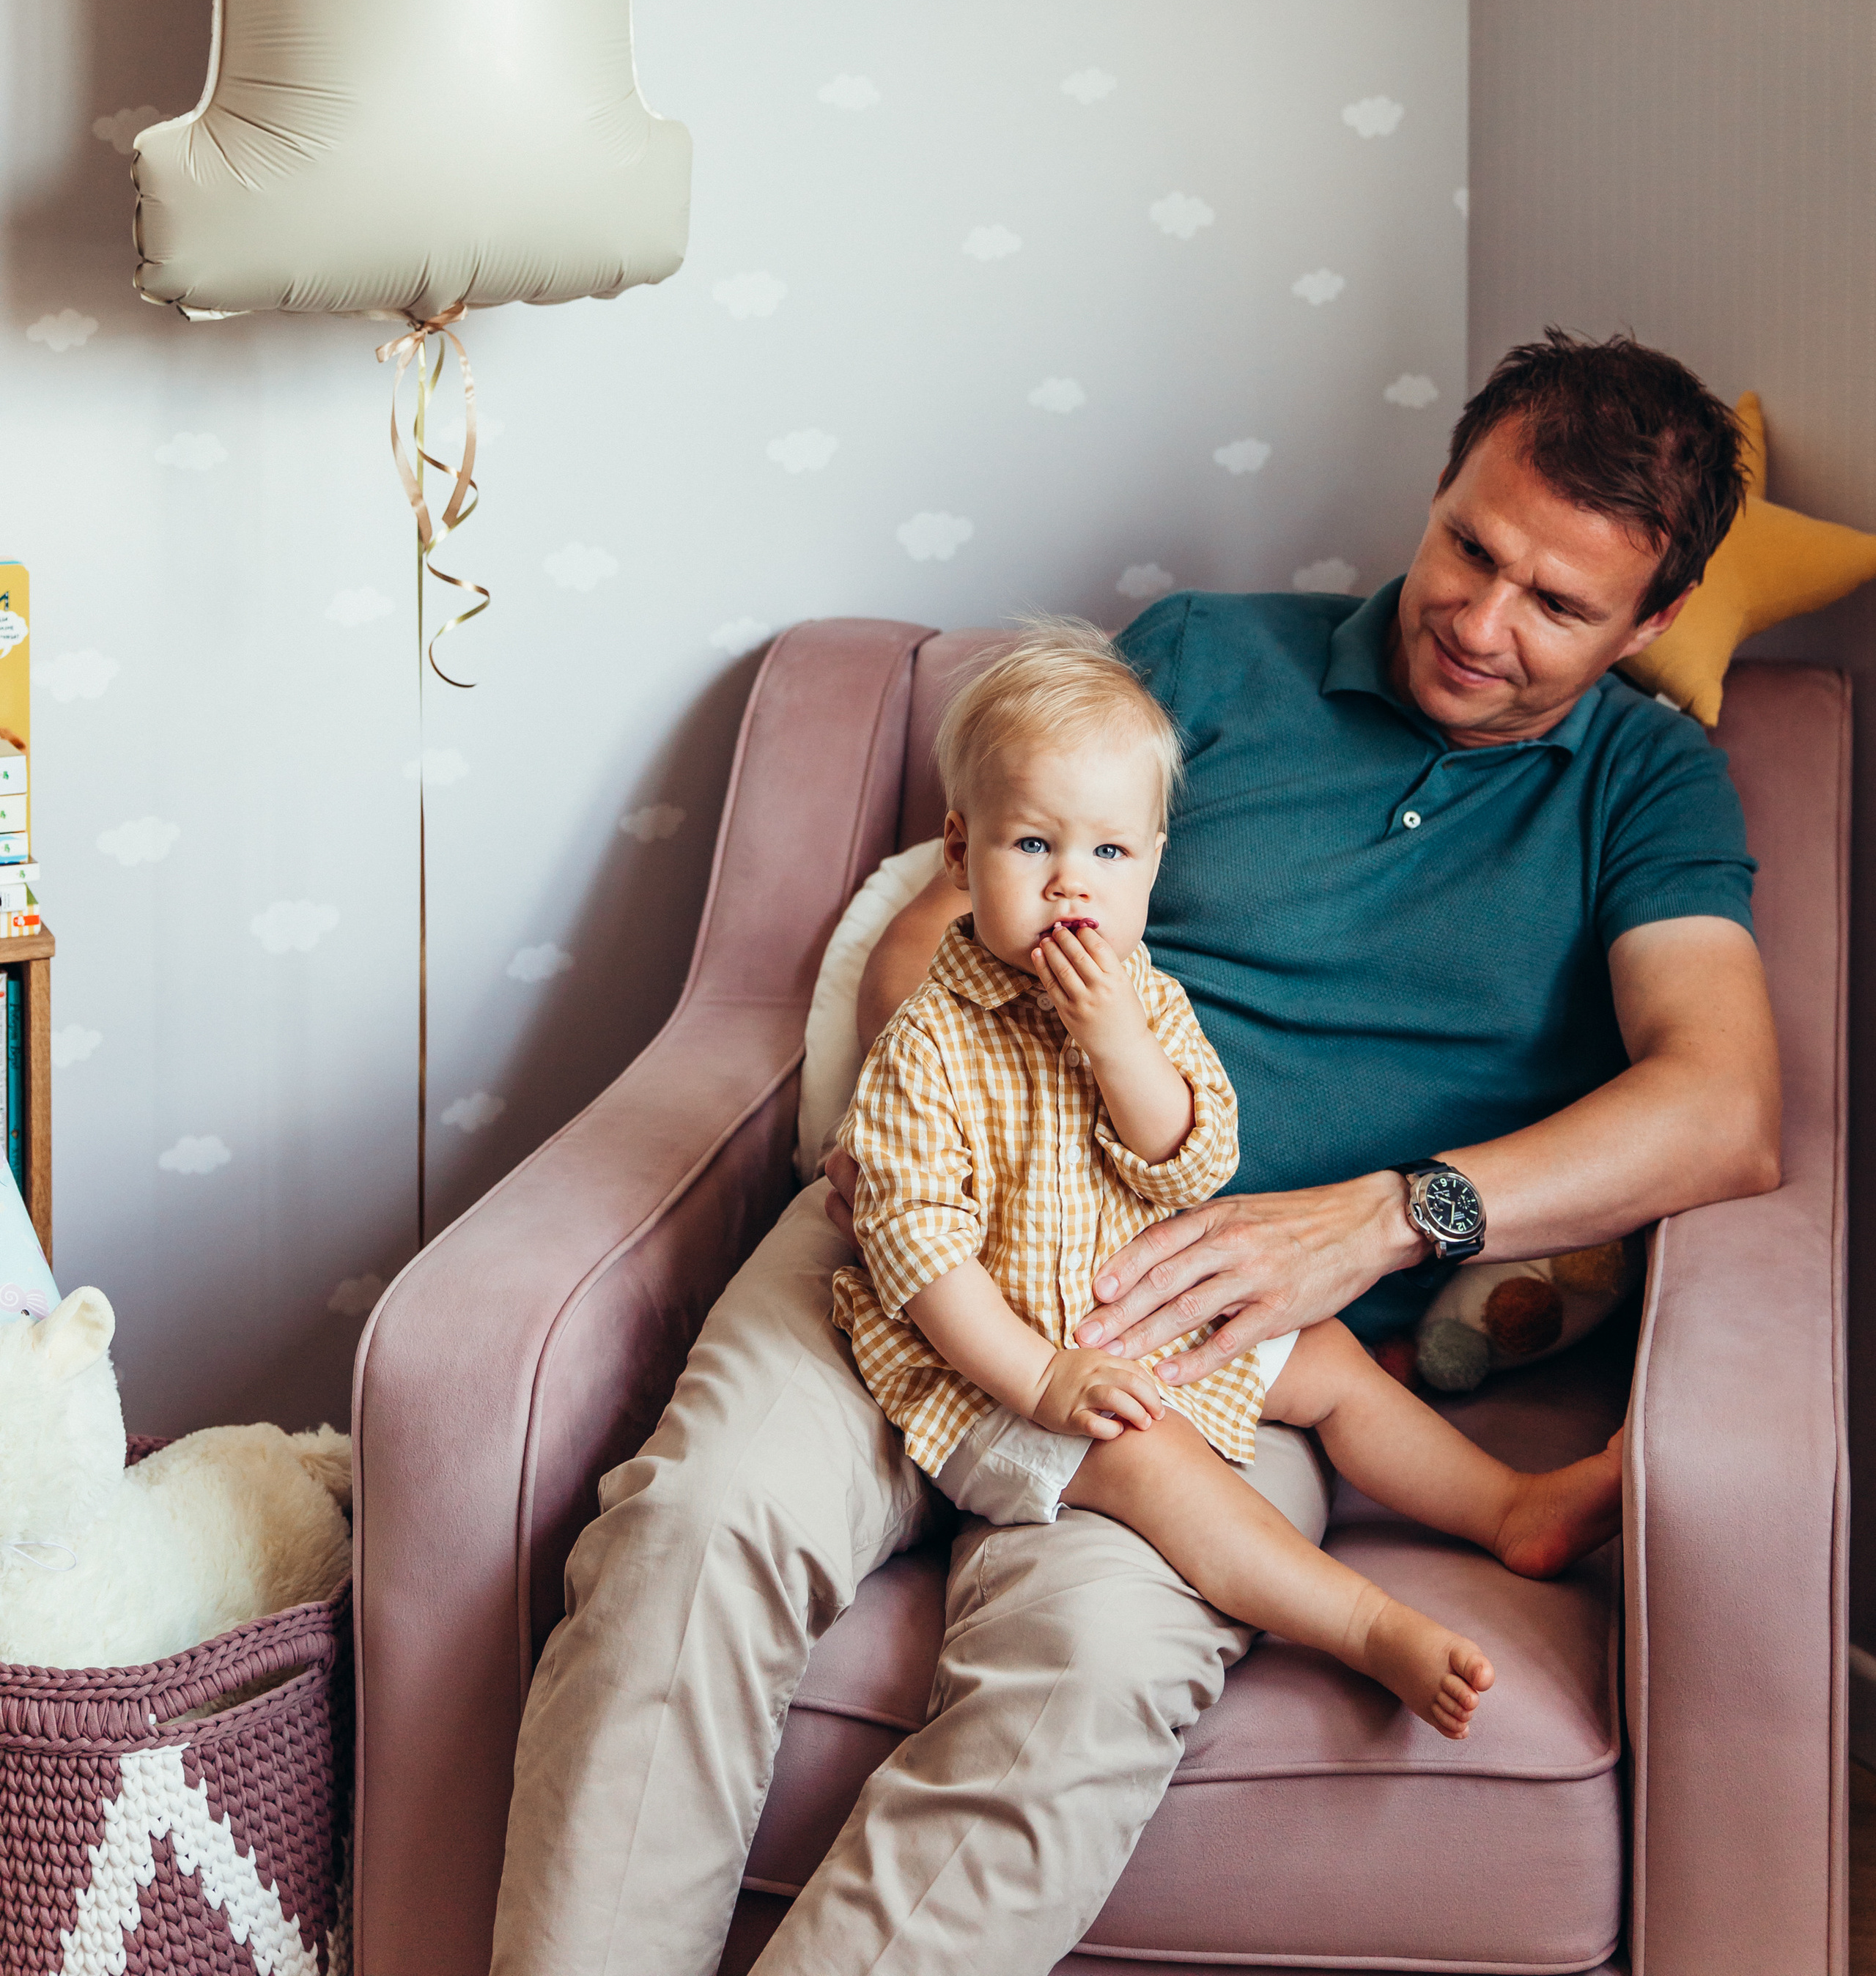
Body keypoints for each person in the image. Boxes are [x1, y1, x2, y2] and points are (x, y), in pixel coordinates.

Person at [492, 330, 1781, 1976]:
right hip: (934, 1230)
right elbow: (938, 920)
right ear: (1439, 486)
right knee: (691, 1531)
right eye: (1470, 546)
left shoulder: (1643, 783)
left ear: (1648, 625)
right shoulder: (1203, 657)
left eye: (1556, 606)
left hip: (1230, 1346)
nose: (1477, 621)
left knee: (1086, 1683)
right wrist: (935, 1148)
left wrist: (1385, 1221)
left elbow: (1721, 1108)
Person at [834, 623, 1623, 1750]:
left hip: (1137, 1304)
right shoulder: (930, 1041)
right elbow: (924, 1265)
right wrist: (1048, 1379)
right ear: (960, 853)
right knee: (1157, 1462)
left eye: (1110, 854)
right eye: (1031, 846)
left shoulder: (1146, 1002)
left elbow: (1193, 1157)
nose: (1072, 885)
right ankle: (1364, 1624)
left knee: (1330, 1357)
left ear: (1156, 859)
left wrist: (1115, 1043)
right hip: (993, 1365)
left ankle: (1511, 1508)